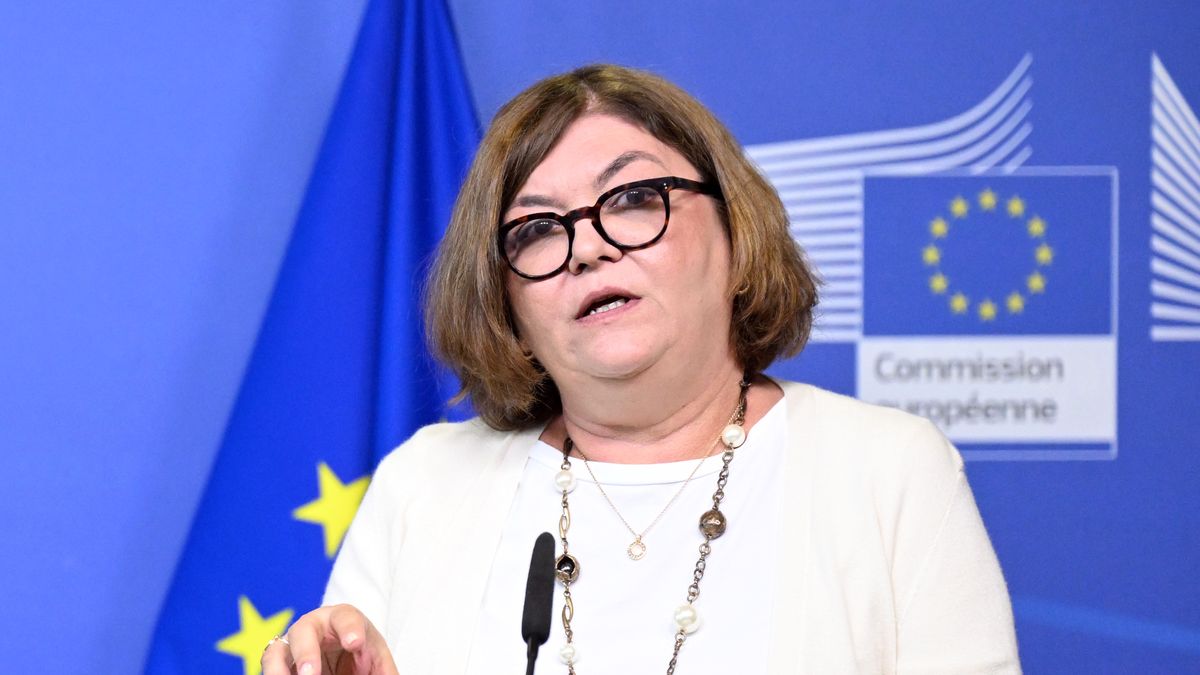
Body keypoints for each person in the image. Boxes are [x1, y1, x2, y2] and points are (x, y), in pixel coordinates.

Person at [262, 64, 1020, 675]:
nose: (587, 247)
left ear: (735, 229)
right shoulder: (423, 484)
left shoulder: (888, 470)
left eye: (631, 198)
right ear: (504, 299)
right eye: (535, 229)